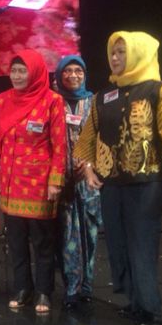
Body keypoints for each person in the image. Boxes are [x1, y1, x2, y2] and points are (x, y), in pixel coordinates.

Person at [75, 32, 162, 325]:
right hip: (112, 185)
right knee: (117, 244)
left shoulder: (160, 91)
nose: (114, 58)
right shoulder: (103, 96)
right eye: (112, 52)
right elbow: (88, 138)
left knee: (141, 243)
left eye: (121, 52)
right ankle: (133, 301)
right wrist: (88, 169)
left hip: (147, 182)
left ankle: (149, 308)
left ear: (139, 54)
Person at [0, 49, 66, 314]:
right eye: (14, 70)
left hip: (39, 184)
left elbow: (60, 146)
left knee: (43, 243)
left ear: (34, 71)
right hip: (10, 183)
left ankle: (44, 291)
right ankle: (23, 288)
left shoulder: (52, 101)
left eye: (23, 71)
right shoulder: (2, 100)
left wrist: (56, 181)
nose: (17, 76)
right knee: (16, 241)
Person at [53, 56, 102, 309]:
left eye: (78, 71)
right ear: (59, 75)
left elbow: (103, 138)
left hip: (88, 179)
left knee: (90, 233)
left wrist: (91, 164)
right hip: (62, 180)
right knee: (66, 235)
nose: (73, 75)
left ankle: (87, 287)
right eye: (68, 71)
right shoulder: (53, 102)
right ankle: (71, 287)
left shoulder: (94, 102)